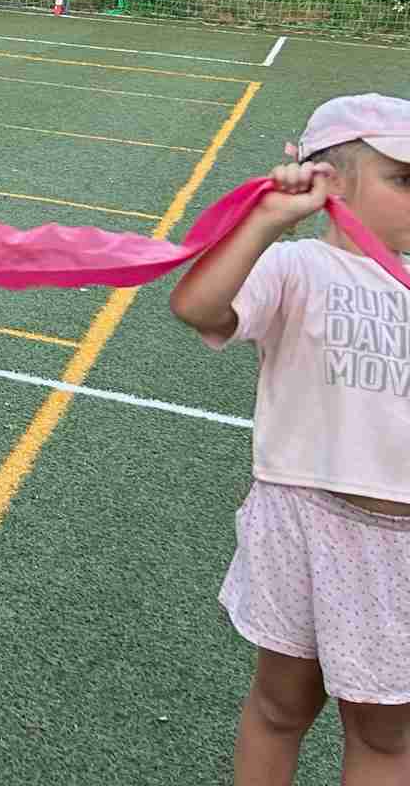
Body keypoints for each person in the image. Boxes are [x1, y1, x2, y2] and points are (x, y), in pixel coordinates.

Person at [169, 94, 410, 786]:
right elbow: (197, 305)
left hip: (399, 548)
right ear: (333, 182)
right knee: (281, 705)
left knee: (385, 731)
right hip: (301, 523)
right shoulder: (297, 266)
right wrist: (269, 218)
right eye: (403, 178)